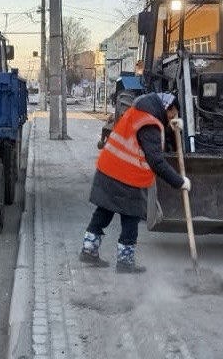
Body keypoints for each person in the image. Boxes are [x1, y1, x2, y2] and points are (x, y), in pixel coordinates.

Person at [79, 91, 191, 273]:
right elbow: (156, 161)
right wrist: (179, 182)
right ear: (167, 108)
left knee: (104, 211)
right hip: (127, 175)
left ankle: (89, 250)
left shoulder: (139, 112)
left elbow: (147, 143)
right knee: (131, 218)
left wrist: (171, 128)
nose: (173, 116)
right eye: (174, 113)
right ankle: (125, 263)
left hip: (109, 167)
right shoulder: (150, 124)